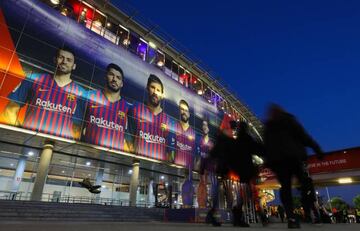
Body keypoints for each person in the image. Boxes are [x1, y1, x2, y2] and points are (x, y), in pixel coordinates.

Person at [1, 47, 86, 139]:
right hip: (30, 144)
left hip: (59, 149)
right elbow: (9, 111)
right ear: (55, 60)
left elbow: (77, 129)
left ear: (74, 66)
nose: (64, 61)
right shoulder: (34, 79)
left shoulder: (81, 93)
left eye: (69, 60)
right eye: (61, 57)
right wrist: (22, 136)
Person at [263, 104, 324, 229]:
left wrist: (268, 161)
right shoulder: (287, 120)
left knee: (287, 187)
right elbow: (303, 135)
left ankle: (293, 216)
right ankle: (305, 208)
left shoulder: (270, 126)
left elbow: (265, 147)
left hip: (282, 161)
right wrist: (316, 148)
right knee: (303, 184)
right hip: (291, 157)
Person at [82, 63, 132, 150]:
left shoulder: (128, 108)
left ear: (121, 84)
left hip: (114, 158)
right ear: (105, 76)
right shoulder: (90, 96)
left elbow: (128, 140)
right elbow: (77, 126)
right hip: (88, 153)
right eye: (111, 75)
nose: (114, 79)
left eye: (118, 78)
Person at [127, 74, 175, 160]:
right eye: (152, 87)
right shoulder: (136, 109)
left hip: (159, 169)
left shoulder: (169, 121)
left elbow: (170, 153)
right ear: (147, 88)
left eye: (158, 90)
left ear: (162, 95)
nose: (155, 92)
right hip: (137, 165)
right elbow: (128, 140)